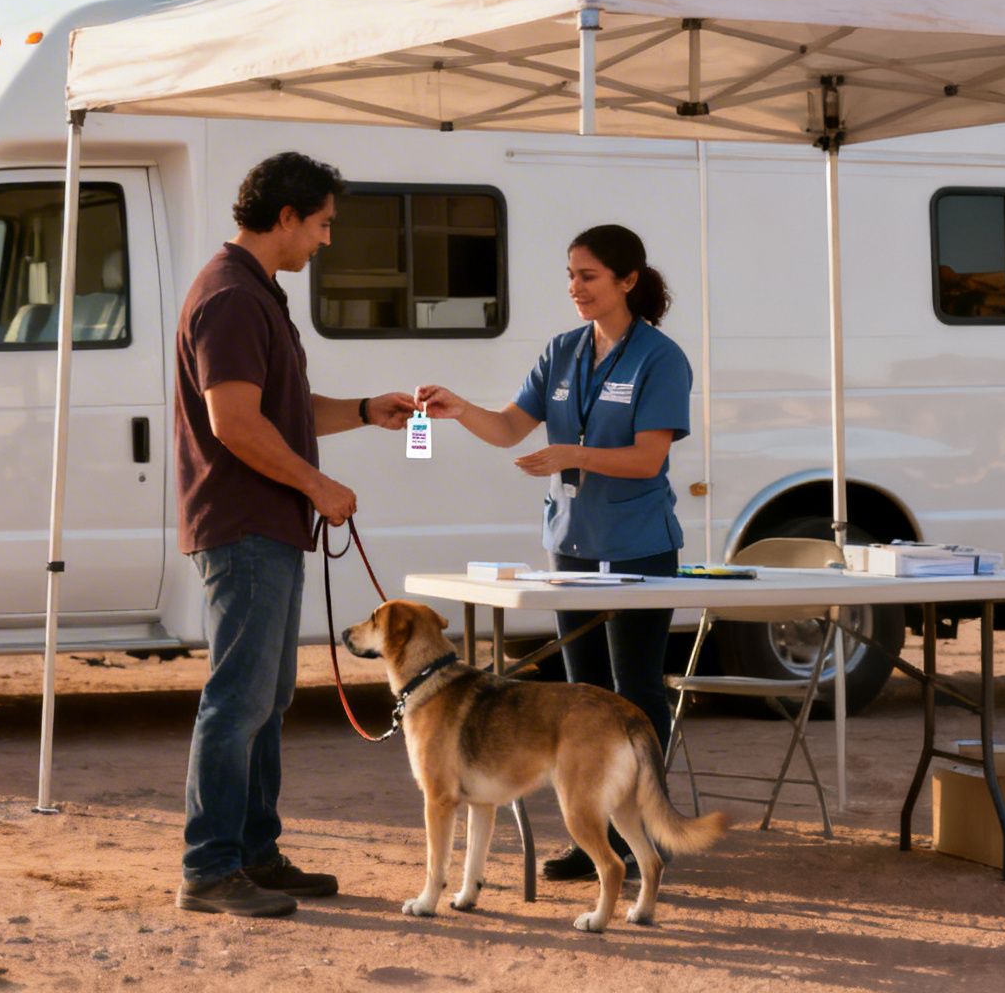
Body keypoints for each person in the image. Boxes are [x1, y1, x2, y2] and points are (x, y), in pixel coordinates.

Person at [174, 151, 414, 917]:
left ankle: (254, 853)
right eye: (321, 224)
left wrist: (368, 409)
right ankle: (210, 869)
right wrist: (318, 485)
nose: (325, 241)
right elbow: (234, 423)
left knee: (265, 697)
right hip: (245, 528)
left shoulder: (256, 294)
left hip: (266, 528)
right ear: (285, 218)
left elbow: (283, 408)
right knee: (238, 700)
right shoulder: (232, 298)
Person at [415, 223, 692, 882]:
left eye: (589, 276)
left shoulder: (660, 357)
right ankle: (592, 834)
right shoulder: (562, 351)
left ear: (627, 280)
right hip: (572, 549)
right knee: (580, 698)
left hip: (639, 551)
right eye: (570, 275)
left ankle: (645, 831)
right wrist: (459, 410)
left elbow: (649, 456)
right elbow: (511, 425)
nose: (575, 288)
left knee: (635, 691)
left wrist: (572, 454)